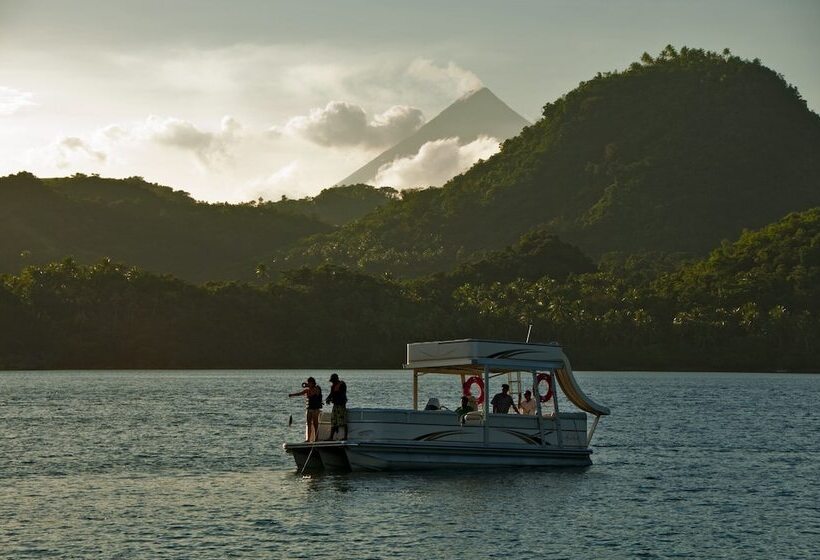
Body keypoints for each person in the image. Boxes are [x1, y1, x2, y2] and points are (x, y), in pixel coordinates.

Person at [288, 377, 322, 442]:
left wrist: (309, 386)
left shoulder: (317, 388)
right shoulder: (307, 390)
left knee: (315, 424)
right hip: (309, 409)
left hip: (315, 410)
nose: (308, 383)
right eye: (308, 382)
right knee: (309, 424)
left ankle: (316, 439)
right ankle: (308, 439)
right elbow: (299, 394)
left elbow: (315, 393)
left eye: (309, 383)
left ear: (313, 383)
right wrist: (292, 395)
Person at [325, 373, 347, 440]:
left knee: (342, 421)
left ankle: (345, 437)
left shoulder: (342, 384)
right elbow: (331, 394)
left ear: (336, 379)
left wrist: (333, 397)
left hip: (341, 405)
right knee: (333, 421)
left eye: (333, 381)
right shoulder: (333, 386)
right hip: (335, 405)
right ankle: (331, 437)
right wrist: (328, 399)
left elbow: (341, 394)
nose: (332, 382)